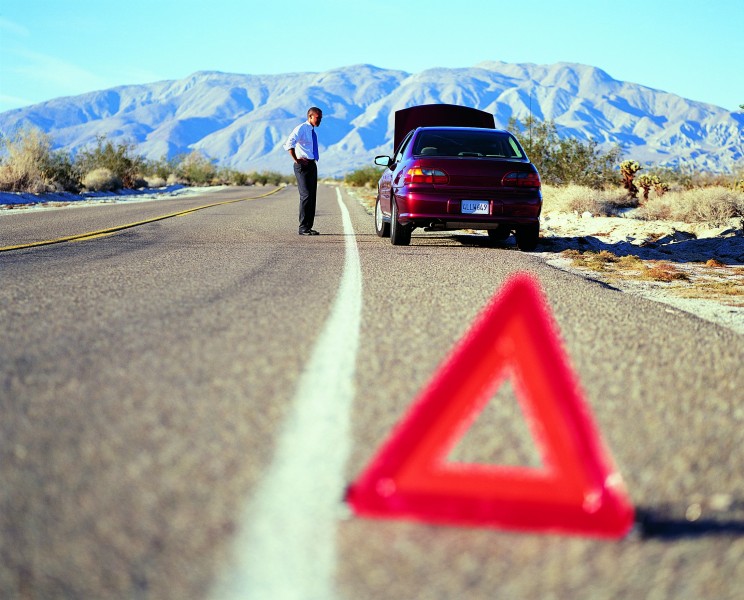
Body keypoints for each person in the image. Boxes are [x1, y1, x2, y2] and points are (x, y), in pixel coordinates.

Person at [284, 107, 323, 235]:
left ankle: (308, 227)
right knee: (306, 195)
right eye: (318, 118)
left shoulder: (311, 131)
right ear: (310, 117)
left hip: (311, 164)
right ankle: (303, 227)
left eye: (321, 118)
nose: (320, 120)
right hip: (302, 166)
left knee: (312, 196)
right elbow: (289, 143)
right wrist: (296, 160)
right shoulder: (301, 128)